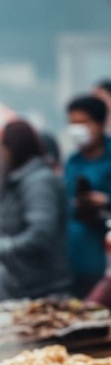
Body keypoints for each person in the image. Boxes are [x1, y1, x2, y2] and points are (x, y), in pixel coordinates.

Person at [0, 118, 72, 300]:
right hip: (23, 286)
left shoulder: (38, 181)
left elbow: (40, 233)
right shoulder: (21, 180)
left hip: (42, 289)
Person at [64, 94, 111, 298]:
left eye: (82, 122)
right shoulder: (72, 161)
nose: (77, 129)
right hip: (73, 259)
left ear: (100, 124)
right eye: (72, 123)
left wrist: (106, 201)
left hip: (104, 260)